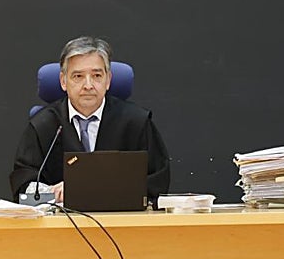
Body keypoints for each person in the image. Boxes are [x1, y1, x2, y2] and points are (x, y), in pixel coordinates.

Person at [10, 36, 170, 204]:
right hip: (61, 223)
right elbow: (24, 184)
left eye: (96, 75)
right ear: (63, 81)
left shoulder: (136, 122)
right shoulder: (43, 125)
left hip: (120, 223)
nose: (88, 85)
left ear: (108, 80)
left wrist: (90, 190)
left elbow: (157, 183)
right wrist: (51, 192)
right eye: (78, 76)